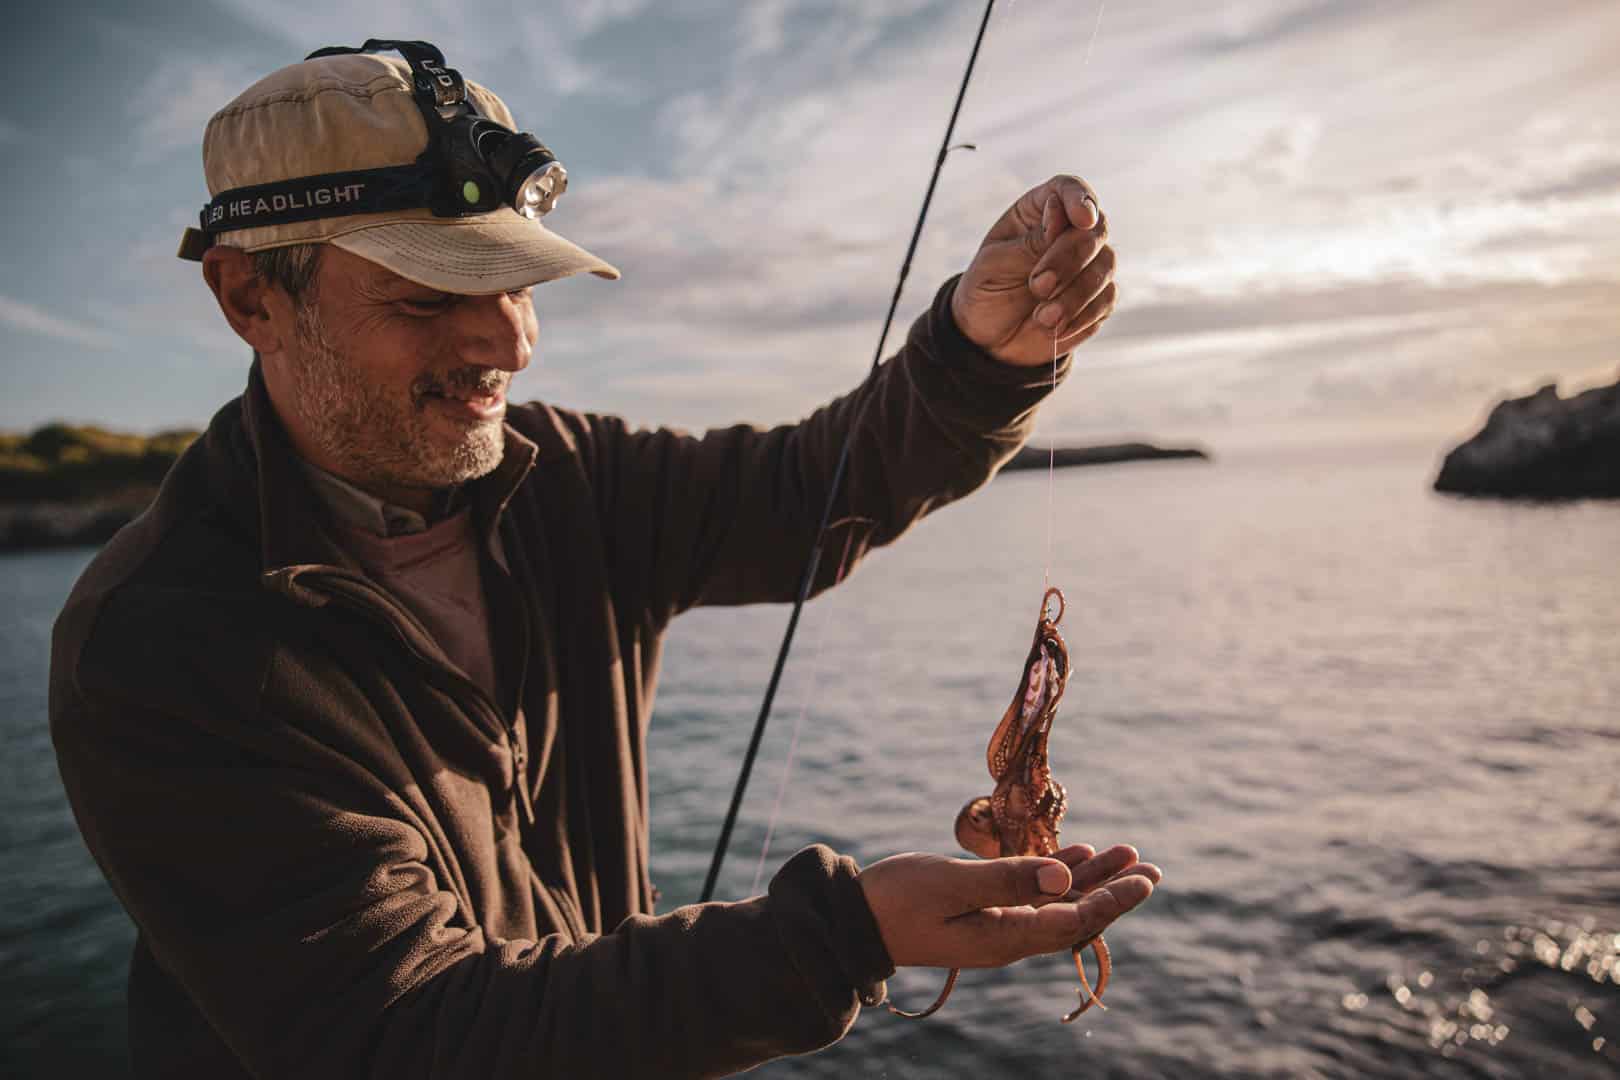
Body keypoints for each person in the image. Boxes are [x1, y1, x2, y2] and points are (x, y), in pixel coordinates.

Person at [49, 42, 1158, 1079]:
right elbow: (404, 1029)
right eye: (430, 296)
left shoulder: (569, 474)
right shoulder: (158, 641)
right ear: (252, 298)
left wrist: (978, 355)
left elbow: (809, 492)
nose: (507, 343)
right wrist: (841, 936)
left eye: (517, 283)